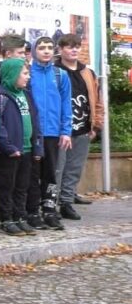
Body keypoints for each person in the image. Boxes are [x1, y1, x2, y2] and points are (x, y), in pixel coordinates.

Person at [0, 58, 43, 236]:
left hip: (27, 149)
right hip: (10, 151)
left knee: (23, 186)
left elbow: (35, 121)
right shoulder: (0, 96)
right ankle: (7, 218)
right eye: (25, 73)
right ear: (12, 74)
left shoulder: (26, 94)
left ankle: (20, 216)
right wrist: (8, 146)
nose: (28, 77)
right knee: (7, 185)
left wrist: (38, 147)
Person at [55, 34, 103, 220]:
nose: (74, 50)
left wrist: (96, 125)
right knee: (58, 168)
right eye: (69, 46)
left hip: (83, 127)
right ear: (61, 49)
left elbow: (97, 101)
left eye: (77, 46)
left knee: (74, 168)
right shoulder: (55, 71)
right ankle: (53, 202)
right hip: (61, 130)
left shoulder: (87, 73)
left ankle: (67, 202)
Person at [26, 37, 71, 231]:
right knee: (32, 174)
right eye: (41, 48)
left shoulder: (60, 75)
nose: (46, 51)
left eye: (49, 48)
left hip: (52, 132)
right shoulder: (28, 73)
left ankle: (50, 210)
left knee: (51, 173)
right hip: (33, 132)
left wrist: (66, 131)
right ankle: (32, 211)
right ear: (34, 50)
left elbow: (66, 104)